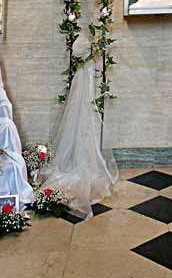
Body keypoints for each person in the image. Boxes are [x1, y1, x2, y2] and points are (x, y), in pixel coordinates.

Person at [39, 35, 118, 219]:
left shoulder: (82, 72)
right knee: (84, 134)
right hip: (84, 113)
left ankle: (76, 162)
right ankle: (80, 163)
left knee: (80, 134)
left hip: (83, 111)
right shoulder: (86, 71)